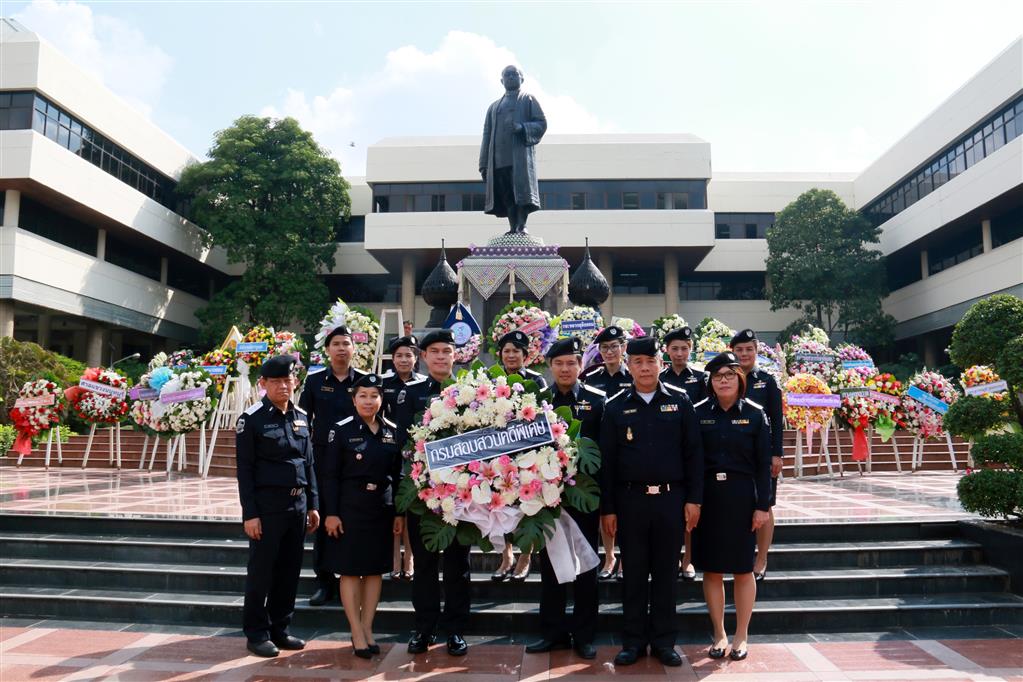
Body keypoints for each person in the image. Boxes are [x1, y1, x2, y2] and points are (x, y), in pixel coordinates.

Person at [599, 336, 703, 667]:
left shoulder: (681, 401)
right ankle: (632, 641)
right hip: (630, 502)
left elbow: (694, 454)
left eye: (650, 361)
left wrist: (694, 500)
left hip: (671, 500)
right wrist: (609, 508)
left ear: (661, 363)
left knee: (664, 574)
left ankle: (663, 642)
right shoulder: (615, 406)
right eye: (638, 362)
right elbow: (608, 462)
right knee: (633, 574)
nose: (644, 368)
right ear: (629, 366)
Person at [392, 329, 472, 657]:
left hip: (464, 496)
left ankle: (455, 631)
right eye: (434, 351)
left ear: (456, 355)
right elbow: (401, 445)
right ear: (423, 357)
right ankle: (424, 629)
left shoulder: (470, 392)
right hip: (423, 496)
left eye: (446, 351)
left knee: (458, 566)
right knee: (424, 566)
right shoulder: (409, 394)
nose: (441, 356)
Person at [525, 337, 604, 660]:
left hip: (585, 498)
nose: (565, 368)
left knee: (587, 568)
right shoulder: (538, 402)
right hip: (548, 497)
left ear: (580, 365)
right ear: (549, 366)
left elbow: (604, 453)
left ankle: (584, 635)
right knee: (550, 569)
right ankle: (553, 633)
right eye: (559, 363)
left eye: (571, 362)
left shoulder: (598, 401)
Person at [235, 355, 320, 658]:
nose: (283, 386)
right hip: (267, 509)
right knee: (262, 572)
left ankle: (280, 628)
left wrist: (313, 504)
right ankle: (256, 633)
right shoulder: (252, 419)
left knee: (289, 571)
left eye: (288, 380)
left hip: (298, 506)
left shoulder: (300, 415)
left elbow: (308, 463)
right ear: (264, 384)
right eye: (276, 381)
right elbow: (244, 470)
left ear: (295, 382)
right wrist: (251, 514)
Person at [691, 352, 772, 661]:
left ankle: (741, 634)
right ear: (710, 382)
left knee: (741, 569)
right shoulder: (698, 413)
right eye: (717, 376)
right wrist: (693, 501)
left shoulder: (754, 414)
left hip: (741, 497)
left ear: (739, 379)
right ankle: (719, 632)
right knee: (711, 570)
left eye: (728, 375)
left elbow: (764, 466)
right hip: (708, 496)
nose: (723, 380)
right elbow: (692, 460)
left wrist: (762, 506)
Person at [322, 373, 405, 659]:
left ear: (382, 399)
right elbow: (330, 476)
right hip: (349, 508)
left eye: (374, 396)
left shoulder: (392, 430)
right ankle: (355, 630)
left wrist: (398, 512)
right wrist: (331, 513)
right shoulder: (341, 430)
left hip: (380, 508)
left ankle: (368, 627)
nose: (369, 401)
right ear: (353, 399)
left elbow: (397, 475)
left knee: (374, 570)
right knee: (350, 569)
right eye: (363, 396)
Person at [300, 325, 368, 606]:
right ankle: (324, 583)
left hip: (357, 462)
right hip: (323, 462)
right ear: (327, 350)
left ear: (354, 349)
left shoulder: (365, 382)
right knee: (325, 519)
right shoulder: (315, 382)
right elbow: (303, 421)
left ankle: (355, 580)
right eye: (336, 344)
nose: (341, 348)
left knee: (355, 520)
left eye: (346, 343)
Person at [490, 330, 546, 582]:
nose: (511, 355)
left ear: (526, 355)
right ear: (500, 354)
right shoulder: (491, 381)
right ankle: (507, 555)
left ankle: (526, 555)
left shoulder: (537, 381)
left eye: (516, 351)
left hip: (528, 455)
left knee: (526, 506)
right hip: (497, 455)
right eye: (507, 351)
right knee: (501, 505)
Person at [729, 328, 783, 581]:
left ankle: (761, 557)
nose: (744, 354)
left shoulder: (767, 381)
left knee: (765, 503)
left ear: (756, 350)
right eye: (739, 350)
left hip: (762, 456)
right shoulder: (725, 378)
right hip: (734, 455)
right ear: (732, 351)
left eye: (749, 349)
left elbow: (776, 419)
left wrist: (777, 454)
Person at [583, 325, 631, 581]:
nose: (610, 351)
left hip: (627, 451)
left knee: (623, 506)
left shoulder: (632, 377)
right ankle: (609, 555)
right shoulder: (592, 378)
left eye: (615, 346)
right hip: (599, 453)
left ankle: (623, 556)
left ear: (624, 348)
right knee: (604, 506)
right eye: (604, 348)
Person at [658, 326, 706, 581]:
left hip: (692, 449)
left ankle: (688, 558)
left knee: (691, 507)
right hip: (666, 451)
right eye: (674, 348)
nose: (679, 353)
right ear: (666, 350)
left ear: (691, 349)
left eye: (684, 348)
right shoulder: (660, 377)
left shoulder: (701, 378)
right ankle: (674, 556)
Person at [479, 65, 547, 234]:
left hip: (519, 158)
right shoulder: (494, 107)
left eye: (514, 74)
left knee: (521, 193)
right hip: (498, 159)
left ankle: (522, 225)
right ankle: (512, 226)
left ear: (521, 78)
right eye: (506, 75)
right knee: (507, 194)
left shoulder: (527, 99)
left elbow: (541, 123)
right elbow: (486, 135)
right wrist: (483, 163)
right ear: (501, 80)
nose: (510, 77)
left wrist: (522, 127)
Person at [381, 335, 423, 581]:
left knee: (410, 509)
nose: (404, 359)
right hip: (388, 453)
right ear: (392, 359)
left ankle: (410, 560)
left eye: (409, 355)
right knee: (393, 507)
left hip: (415, 456)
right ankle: (394, 561)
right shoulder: (383, 384)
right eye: (399, 355)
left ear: (416, 358)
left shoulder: (424, 384)